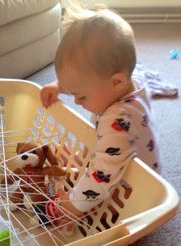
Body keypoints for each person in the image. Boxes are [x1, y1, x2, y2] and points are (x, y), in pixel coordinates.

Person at [40, 2, 160, 233]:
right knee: (78, 157)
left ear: (117, 82)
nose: (76, 102)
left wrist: (73, 206)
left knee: (102, 210)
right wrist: (59, 86)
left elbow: (101, 178)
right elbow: (87, 80)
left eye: (81, 96)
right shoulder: (130, 78)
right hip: (132, 157)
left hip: (132, 188)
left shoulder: (117, 123)